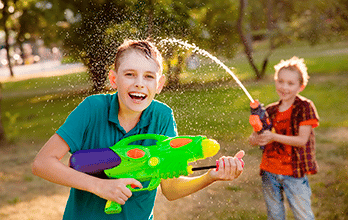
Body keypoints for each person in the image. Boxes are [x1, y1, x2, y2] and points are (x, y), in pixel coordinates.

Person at [32, 39, 244, 220]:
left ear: (159, 84)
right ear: (114, 79)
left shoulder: (161, 117)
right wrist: (99, 186)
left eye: (149, 77)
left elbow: (170, 189)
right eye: (130, 74)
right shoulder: (92, 109)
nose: (140, 83)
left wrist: (211, 176)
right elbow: (42, 163)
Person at [249, 56, 319, 220]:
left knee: (303, 214)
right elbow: (253, 138)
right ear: (275, 81)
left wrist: (273, 136)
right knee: (274, 215)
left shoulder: (305, 107)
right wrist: (256, 138)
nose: (284, 87)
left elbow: (302, 140)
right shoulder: (271, 110)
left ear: (300, 86)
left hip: (294, 173)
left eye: (290, 83)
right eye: (280, 81)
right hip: (269, 171)